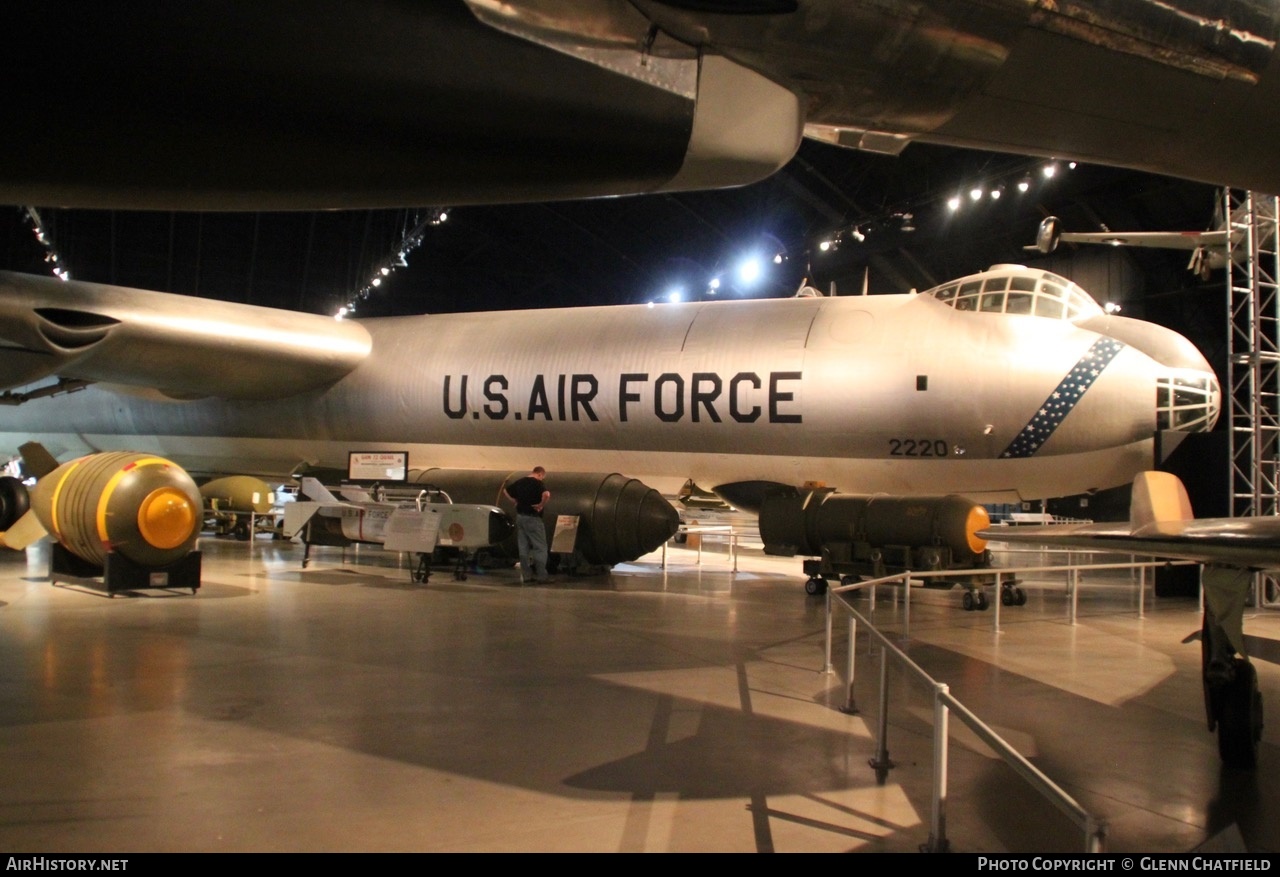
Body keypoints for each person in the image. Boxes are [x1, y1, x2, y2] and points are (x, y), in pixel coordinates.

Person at [504, 466, 552, 584]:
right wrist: (541, 505)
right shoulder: (538, 483)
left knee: (523, 547)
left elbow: (506, 490)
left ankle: (526, 576)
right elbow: (547, 494)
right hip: (533, 518)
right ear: (540, 474)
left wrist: (514, 501)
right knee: (540, 547)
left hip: (520, 517)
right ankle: (542, 576)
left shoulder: (520, 481)